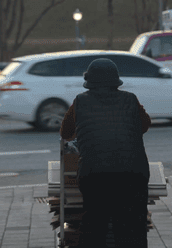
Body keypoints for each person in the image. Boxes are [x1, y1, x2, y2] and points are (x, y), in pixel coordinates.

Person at [60, 58, 152, 248]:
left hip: (94, 175)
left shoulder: (80, 101)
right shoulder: (131, 99)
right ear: (116, 80)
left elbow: (65, 133)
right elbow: (144, 125)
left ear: (89, 81)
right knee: (132, 227)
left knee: (95, 225)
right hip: (133, 173)